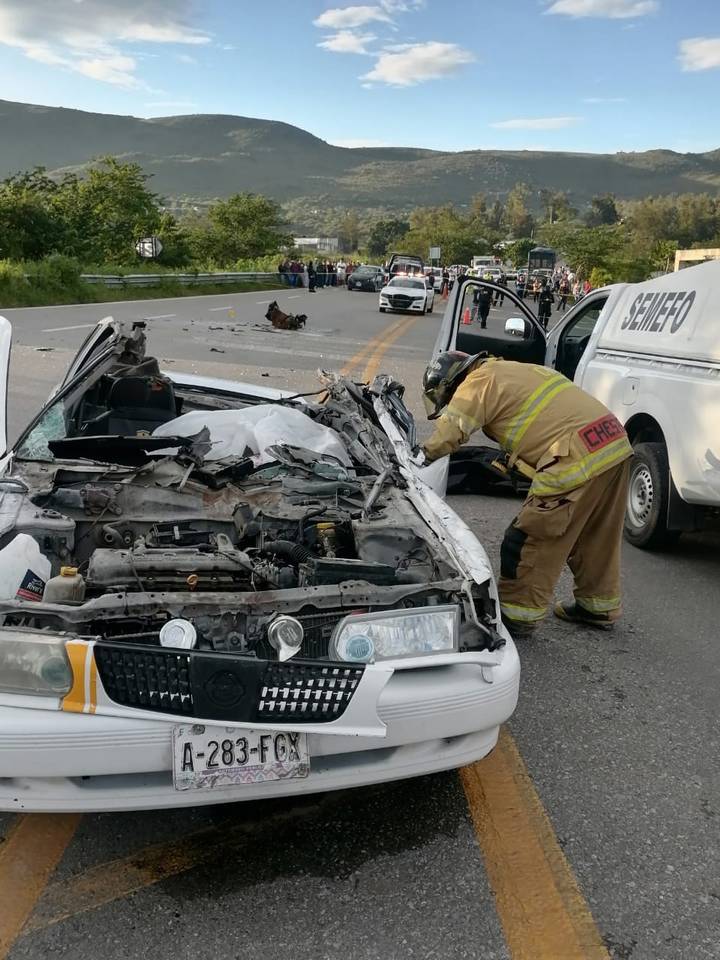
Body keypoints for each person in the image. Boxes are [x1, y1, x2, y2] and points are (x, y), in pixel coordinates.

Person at [419, 351, 633, 639]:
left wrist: (419, 458)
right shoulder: (513, 370)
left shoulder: (478, 381)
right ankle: (597, 606)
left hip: (575, 457)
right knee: (595, 534)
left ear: (452, 382)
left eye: (447, 397)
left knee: (529, 538)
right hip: (612, 443)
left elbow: (451, 430)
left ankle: (517, 615)